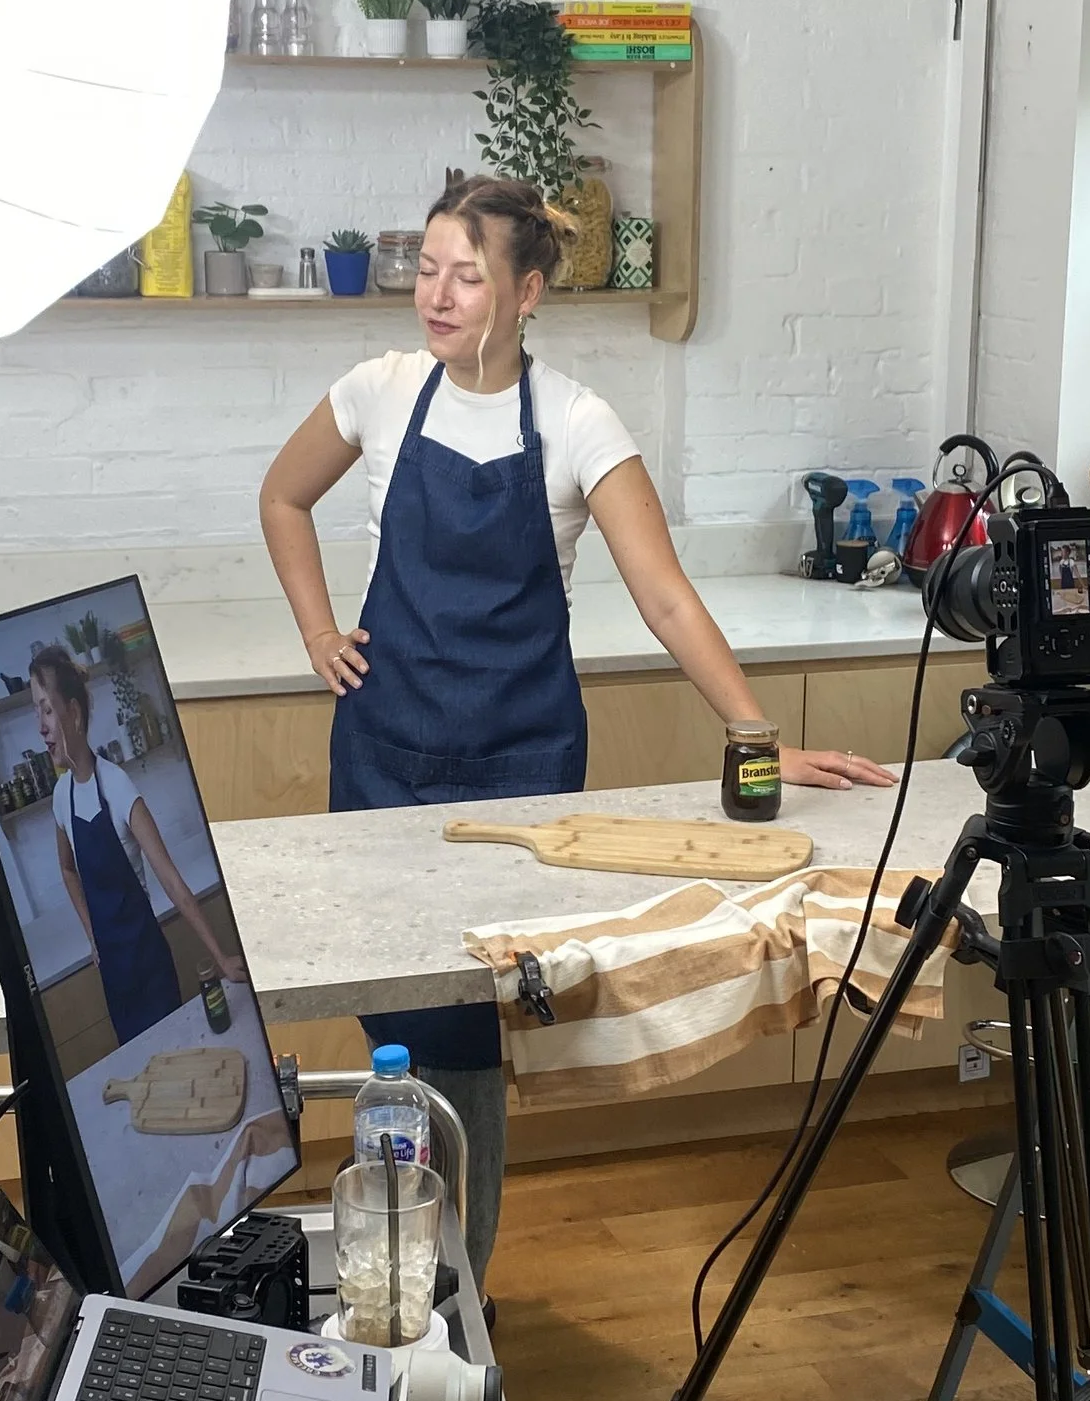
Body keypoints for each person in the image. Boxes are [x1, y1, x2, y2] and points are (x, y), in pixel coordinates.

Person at [260, 173, 892, 1283]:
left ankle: (452, 1284)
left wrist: (756, 734)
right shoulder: (377, 391)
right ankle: (418, 1270)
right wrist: (319, 630)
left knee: (464, 1026)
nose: (438, 295)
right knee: (397, 1022)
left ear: (527, 292)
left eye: (467, 274)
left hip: (520, 774)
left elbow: (666, 596)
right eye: (428, 270)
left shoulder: (574, 421)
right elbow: (282, 497)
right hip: (383, 754)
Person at [29, 643, 246, 1058]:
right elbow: (68, 870)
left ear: (73, 713)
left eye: (47, 710)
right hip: (113, 974)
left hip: (149, 965)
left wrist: (220, 958)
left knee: (172, 1059)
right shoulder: (61, 798)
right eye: (35, 711)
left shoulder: (118, 787)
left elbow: (171, 880)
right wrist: (93, 936)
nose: (39, 726)